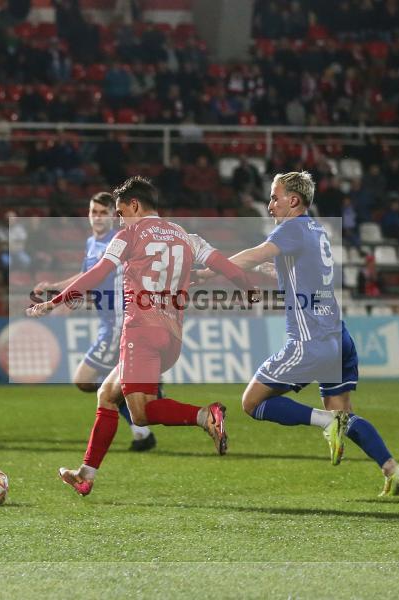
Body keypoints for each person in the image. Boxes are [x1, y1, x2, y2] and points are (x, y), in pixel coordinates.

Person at [28, 176, 257, 496]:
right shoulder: (187, 236)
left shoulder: (129, 234)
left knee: (141, 413)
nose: (119, 219)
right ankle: (86, 474)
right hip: (172, 336)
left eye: (120, 212)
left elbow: (96, 274)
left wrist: (55, 301)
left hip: (140, 332)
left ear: (134, 206)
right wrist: (249, 289)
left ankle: (206, 415)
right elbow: (227, 266)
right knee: (107, 395)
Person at [197, 171, 399, 497]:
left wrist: (208, 272)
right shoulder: (315, 228)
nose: (270, 204)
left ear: (293, 200)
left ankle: (327, 423)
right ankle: (392, 470)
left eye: (274, 196)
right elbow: (295, 267)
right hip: (338, 337)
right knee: (345, 415)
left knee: (252, 403)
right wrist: (271, 269)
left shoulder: (292, 228)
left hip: (310, 341)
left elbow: (254, 255)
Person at [34, 192, 156, 451]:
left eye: (103, 212)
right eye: (93, 212)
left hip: (119, 323)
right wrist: (56, 287)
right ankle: (141, 430)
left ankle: (143, 421)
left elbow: (97, 277)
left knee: (84, 379)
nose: (97, 217)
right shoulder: (92, 242)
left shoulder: (117, 241)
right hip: (107, 323)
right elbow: (85, 274)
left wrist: (66, 302)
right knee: (109, 382)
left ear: (113, 215)